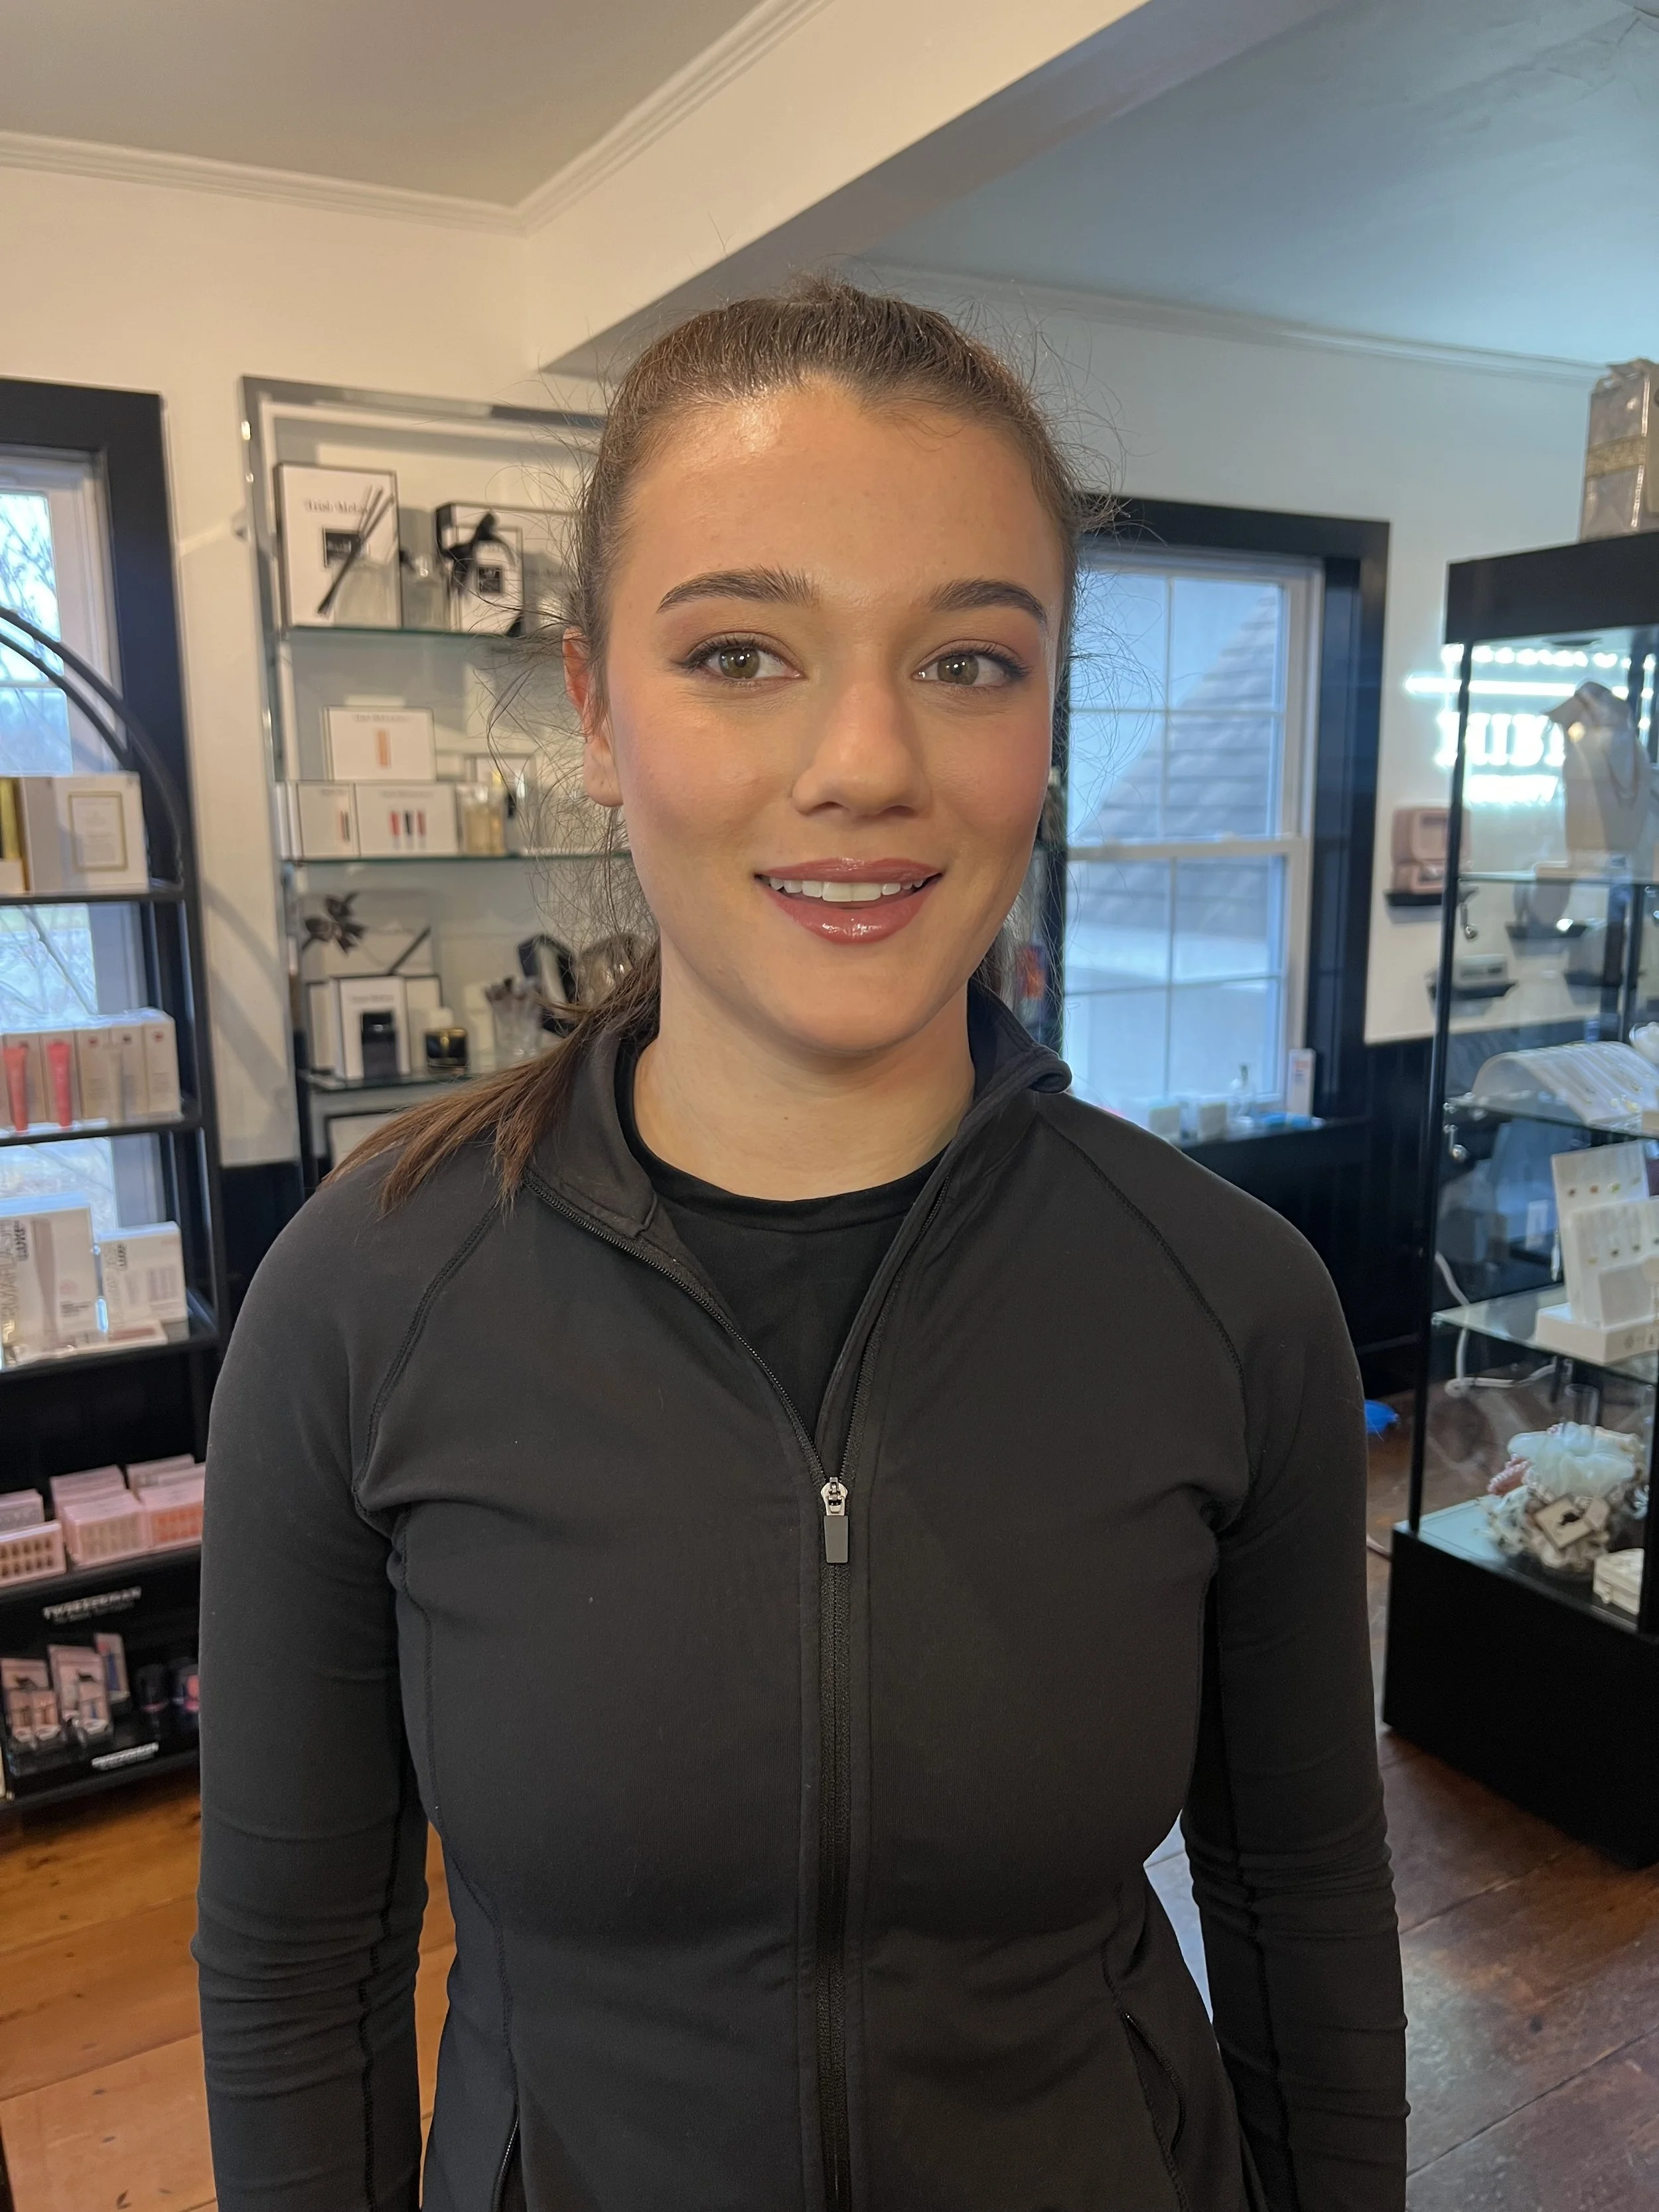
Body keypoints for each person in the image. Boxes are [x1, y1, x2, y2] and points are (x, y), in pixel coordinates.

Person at [196, 277, 1406, 2212]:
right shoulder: (362, 1303)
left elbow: (1305, 1908)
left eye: (969, 662)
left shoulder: (1230, 1303)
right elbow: (292, 1967)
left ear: (1047, 721)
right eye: (743, 652)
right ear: (596, 708)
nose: (863, 760)